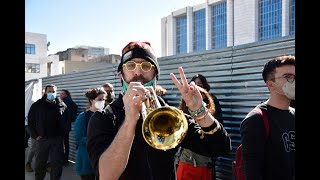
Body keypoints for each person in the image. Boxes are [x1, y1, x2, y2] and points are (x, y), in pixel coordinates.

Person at [86, 41, 231, 180]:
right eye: (130, 65)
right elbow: (106, 176)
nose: (138, 72)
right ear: (120, 76)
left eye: (146, 66)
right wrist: (130, 121)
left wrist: (199, 110)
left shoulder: (170, 116)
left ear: (156, 76)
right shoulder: (103, 118)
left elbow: (220, 147)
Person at [240, 55, 295, 180]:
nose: (293, 81)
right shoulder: (256, 119)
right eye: (288, 77)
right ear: (271, 85)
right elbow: (252, 173)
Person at [176, 86, 227, 180]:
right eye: (194, 99)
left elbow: (224, 145)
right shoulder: (183, 119)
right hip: (189, 167)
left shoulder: (211, 120)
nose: (201, 103)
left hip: (206, 166)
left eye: (204, 101)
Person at [28, 84, 66, 180]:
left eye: (53, 91)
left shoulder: (61, 104)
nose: (51, 93)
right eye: (49, 91)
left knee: (56, 163)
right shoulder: (37, 105)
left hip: (57, 139)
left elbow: (66, 119)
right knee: (41, 162)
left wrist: (63, 134)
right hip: (42, 139)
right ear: (45, 92)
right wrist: (35, 136)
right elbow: (30, 122)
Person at [74, 88, 106, 180]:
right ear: (92, 100)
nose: (102, 102)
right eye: (100, 99)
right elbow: (79, 139)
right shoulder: (83, 117)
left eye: (104, 99)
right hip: (87, 161)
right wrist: (98, 140)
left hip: (103, 160)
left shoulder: (107, 115)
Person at [59, 89, 78, 165]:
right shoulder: (71, 102)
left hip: (62, 126)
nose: (61, 95)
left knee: (61, 143)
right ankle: (65, 160)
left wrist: (67, 118)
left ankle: (63, 159)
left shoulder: (65, 103)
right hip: (66, 126)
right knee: (65, 143)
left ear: (66, 95)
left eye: (62, 94)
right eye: (60, 94)